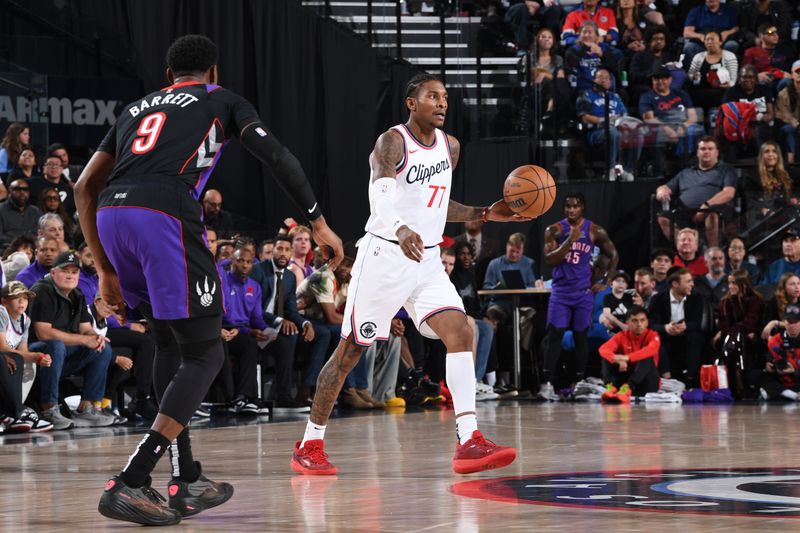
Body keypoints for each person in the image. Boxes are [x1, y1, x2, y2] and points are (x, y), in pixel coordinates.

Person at [74, 35, 343, 525]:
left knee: (171, 347)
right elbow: (278, 157)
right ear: (212, 72)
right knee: (207, 351)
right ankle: (133, 480)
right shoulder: (221, 100)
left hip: (113, 216)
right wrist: (318, 221)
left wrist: (106, 270)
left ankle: (187, 477)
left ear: (168, 75)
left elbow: (82, 186)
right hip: (164, 215)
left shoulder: (137, 108)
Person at [291, 73, 527, 476]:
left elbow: (438, 202)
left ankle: (468, 439)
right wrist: (400, 229)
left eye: (445, 97)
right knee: (350, 351)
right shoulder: (392, 142)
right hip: (384, 255)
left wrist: (483, 212)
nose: (441, 103)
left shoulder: (450, 147)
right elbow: (380, 194)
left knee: (462, 331)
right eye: (432, 96)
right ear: (411, 103)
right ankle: (310, 442)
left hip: (428, 259)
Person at [538, 192, 618, 400]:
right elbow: (550, 260)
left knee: (581, 337)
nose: (571, 210)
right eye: (567, 206)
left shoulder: (594, 230)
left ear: (582, 207)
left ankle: (579, 382)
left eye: (575, 206)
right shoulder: (554, 230)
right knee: (554, 336)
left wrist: (606, 281)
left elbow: (613, 254)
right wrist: (569, 242)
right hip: (561, 293)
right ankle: (547, 385)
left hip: (583, 293)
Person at [29, 252, 115, 428]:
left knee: (102, 348)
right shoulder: (42, 290)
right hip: (35, 354)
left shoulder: (77, 294)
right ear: (53, 273)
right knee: (55, 345)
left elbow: (86, 329)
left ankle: (88, 408)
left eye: (74, 272)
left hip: (62, 353)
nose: (70, 275)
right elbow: (43, 333)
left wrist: (95, 337)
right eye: (65, 271)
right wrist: (84, 340)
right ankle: (49, 409)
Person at [655, 137, 737, 247]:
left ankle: (713, 253)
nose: (706, 151)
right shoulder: (686, 172)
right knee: (663, 217)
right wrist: (661, 191)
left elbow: (729, 193)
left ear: (716, 152)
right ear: (698, 153)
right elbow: (665, 187)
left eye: (710, 149)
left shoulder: (726, 170)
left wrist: (706, 206)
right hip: (685, 212)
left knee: (711, 214)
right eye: (703, 149)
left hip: (712, 211)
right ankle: (685, 249)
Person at [0, 281, 53, 433]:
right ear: (4, 301)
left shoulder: (25, 320)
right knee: (15, 359)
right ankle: (15, 412)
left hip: (5, 357)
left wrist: (40, 357)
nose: (22, 302)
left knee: (29, 363)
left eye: (25, 298)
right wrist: (34, 355)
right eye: (17, 297)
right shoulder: (1, 312)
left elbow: (24, 351)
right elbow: (2, 347)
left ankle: (16, 411)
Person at [576, 68, 641, 181]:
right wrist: (605, 121)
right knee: (612, 132)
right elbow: (585, 118)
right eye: (600, 77)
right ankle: (609, 170)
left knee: (637, 134)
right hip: (597, 131)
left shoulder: (615, 97)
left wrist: (622, 121)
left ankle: (628, 170)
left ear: (611, 82)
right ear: (594, 80)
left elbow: (624, 114)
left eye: (607, 78)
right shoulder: (586, 95)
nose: (604, 80)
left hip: (618, 128)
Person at [639, 67, 704, 176]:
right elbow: (648, 118)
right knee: (657, 133)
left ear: (670, 80)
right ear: (652, 81)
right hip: (661, 128)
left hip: (683, 127)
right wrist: (667, 128)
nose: (660, 82)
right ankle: (659, 172)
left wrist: (683, 126)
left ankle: (693, 169)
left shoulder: (681, 94)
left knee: (695, 130)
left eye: (663, 79)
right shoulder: (647, 97)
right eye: (656, 79)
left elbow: (693, 116)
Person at [648, 267, 705, 385]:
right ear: (675, 284)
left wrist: (685, 326)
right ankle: (667, 381)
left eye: (691, 281)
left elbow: (696, 323)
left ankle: (691, 378)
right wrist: (666, 327)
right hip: (666, 335)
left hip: (687, 334)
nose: (692, 284)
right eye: (688, 281)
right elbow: (651, 324)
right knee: (657, 340)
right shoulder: (657, 299)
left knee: (695, 337)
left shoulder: (696, 297)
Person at [598, 304, 661, 397]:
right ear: (627, 322)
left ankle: (629, 387)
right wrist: (617, 360)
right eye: (634, 321)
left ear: (647, 322)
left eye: (642, 320)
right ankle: (610, 387)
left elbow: (651, 349)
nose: (639, 324)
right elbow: (603, 349)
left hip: (646, 383)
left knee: (646, 356)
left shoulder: (653, 335)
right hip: (623, 380)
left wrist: (627, 358)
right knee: (607, 357)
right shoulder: (621, 335)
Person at [720, 65, 775, 161]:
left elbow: (770, 114)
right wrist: (756, 117)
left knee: (759, 131)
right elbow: (729, 114)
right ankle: (732, 165)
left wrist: (761, 118)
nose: (747, 80)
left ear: (756, 79)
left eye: (751, 77)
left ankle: (762, 162)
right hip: (738, 126)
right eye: (744, 77)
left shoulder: (764, 90)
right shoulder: (731, 92)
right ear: (739, 78)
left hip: (760, 125)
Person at [686, 30, 738, 117]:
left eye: (712, 39)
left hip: (721, 91)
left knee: (728, 94)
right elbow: (690, 76)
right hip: (701, 91)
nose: (709, 42)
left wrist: (729, 84)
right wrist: (693, 76)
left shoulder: (729, 56)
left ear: (720, 42)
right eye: (707, 39)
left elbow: (733, 79)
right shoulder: (698, 56)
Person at [756, 303, 800, 401]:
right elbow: (770, 360)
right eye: (789, 322)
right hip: (782, 380)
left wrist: (794, 371)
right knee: (755, 375)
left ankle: (777, 394)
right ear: (784, 322)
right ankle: (790, 395)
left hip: (797, 378)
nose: (792, 325)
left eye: (795, 321)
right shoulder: (774, 340)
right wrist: (770, 368)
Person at [565, 21, 620, 93]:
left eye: (590, 32)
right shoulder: (573, 49)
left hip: (603, 87)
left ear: (596, 36)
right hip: (583, 89)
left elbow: (614, 68)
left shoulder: (604, 48)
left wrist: (601, 55)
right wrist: (584, 48)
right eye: (584, 32)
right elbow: (571, 64)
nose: (587, 35)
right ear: (579, 35)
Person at [681, 0, 739, 67]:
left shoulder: (729, 10)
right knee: (689, 47)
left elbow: (736, 28)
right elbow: (687, 33)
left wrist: (727, 32)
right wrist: (700, 36)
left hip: (722, 45)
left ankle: (725, 72)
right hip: (702, 46)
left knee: (732, 44)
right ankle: (692, 74)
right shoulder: (696, 11)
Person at [742, 24, 793, 91]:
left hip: (779, 81)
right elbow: (744, 72)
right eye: (770, 33)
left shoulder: (784, 50)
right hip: (759, 82)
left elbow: (791, 71)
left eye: (776, 32)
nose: (775, 35)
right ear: (761, 36)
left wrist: (788, 74)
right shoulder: (751, 52)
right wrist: (756, 76)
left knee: (787, 81)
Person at [0, 179, 41, 248]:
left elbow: (41, 234)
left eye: (25, 189)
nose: (22, 192)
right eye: (17, 189)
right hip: (7, 251)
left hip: (33, 250)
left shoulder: (36, 211)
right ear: (9, 191)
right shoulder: (1, 210)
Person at [775, 61, 800, 164]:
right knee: (788, 130)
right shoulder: (784, 94)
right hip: (791, 126)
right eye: (797, 72)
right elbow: (784, 114)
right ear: (792, 74)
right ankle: (791, 163)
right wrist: (797, 125)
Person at [762, 272, 800, 340]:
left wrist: (776, 323)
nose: (797, 287)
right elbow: (766, 325)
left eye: (798, 283)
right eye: (792, 284)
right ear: (784, 287)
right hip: (781, 337)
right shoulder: (775, 302)